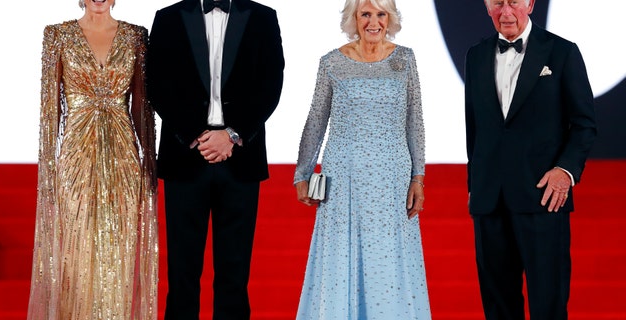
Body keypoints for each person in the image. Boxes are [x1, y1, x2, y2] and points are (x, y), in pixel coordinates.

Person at [293, 0, 431, 318]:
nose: (373, 22)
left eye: (380, 14)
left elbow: (415, 121)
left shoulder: (405, 59)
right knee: (340, 257)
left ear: (390, 18)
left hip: (392, 178)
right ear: (353, 18)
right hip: (342, 177)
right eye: (365, 14)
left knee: (389, 261)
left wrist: (418, 178)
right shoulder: (331, 63)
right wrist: (302, 173)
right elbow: (316, 120)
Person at [146, 0, 284, 318]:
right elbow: (158, 83)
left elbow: (270, 84)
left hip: (240, 159)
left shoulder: (263, 17)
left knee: (234, 276)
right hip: (185, 157)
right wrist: (196, 134)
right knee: (181, 275)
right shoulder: (169, 17)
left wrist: (232, 135)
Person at [464, 0, 597, 319]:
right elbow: (474, 128)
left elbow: (584, 124)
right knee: (497, 306)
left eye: (514, 2)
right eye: (497, 3)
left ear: (531, 4)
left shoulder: (563, 52)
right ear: (486, 6)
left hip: (543, 197)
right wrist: (475, 185)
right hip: (489, 201)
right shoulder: (476, 55)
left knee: (548, 304)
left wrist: (565, 171)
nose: (505, 11)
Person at [27, 0, 158, 319]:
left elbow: (142, 105)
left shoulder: (137, 36)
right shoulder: (57, 35)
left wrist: (151, 162)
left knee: (117, 248)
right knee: (77, 248)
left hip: (123, 154)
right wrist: (49, 167)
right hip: (75, 156)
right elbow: (49, 111)